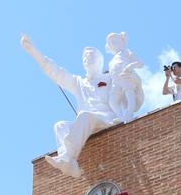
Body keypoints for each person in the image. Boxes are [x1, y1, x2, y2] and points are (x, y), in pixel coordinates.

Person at [20, 33, 116, 176]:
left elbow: (125, 87)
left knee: (84, 116)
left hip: (106, 120)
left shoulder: (110, 78)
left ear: (99, 61)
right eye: (85, 58)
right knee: (60, 126)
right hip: (86, 124)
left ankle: (68, 158)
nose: (87, 60)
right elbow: (56, 72)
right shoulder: (78, 83)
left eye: (91, 57)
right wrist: (34, 52)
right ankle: (68, 161)